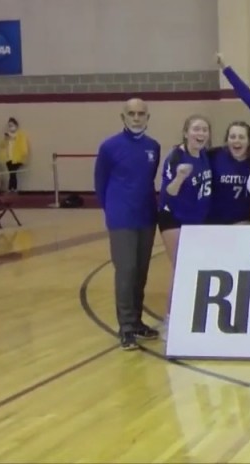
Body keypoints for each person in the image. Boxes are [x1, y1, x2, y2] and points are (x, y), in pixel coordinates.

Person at [93, 99, 161, 351]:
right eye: (131, 114)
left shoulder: (153, 147)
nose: (136, 118)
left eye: (141, 114)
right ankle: (126, 328)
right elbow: (100, 183)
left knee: (141, 272)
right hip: (121, 218)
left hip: (146, 216)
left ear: (147, 117)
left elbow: (148, 179)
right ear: (123, 117)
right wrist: (112, 209)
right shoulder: (109, 147)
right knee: (126, 271)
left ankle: (137, 321)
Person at [158, 115, 213, 271]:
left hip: (197, 219)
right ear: (186, 133)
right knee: (181, 268)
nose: (201, 133)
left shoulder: (203, 155)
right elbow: (170, 192)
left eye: (204, 130)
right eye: (196, 129)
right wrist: (180, 177)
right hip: (175, 219)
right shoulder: (176, 157)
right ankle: (174, 297)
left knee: (196, 267)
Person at [208, 121, 250, 225]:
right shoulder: (214, 155)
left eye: (241, 137)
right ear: (227, 140)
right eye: (232, 137)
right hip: (213, 221)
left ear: (249, 141)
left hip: (242, 221)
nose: (236, 140)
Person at [0, 117, 29, 193]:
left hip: (17, 159)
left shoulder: (21, 135)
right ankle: (12, 189)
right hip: (8, 158)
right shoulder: (7, 136)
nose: (10, 127)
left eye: (12, 125)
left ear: (16, 125)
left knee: (13, 173)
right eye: (9, 126)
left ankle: (12, 188)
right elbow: (2, 146)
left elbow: (24, 146)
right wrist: (5, 139)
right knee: (11, 173)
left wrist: (24, 155)